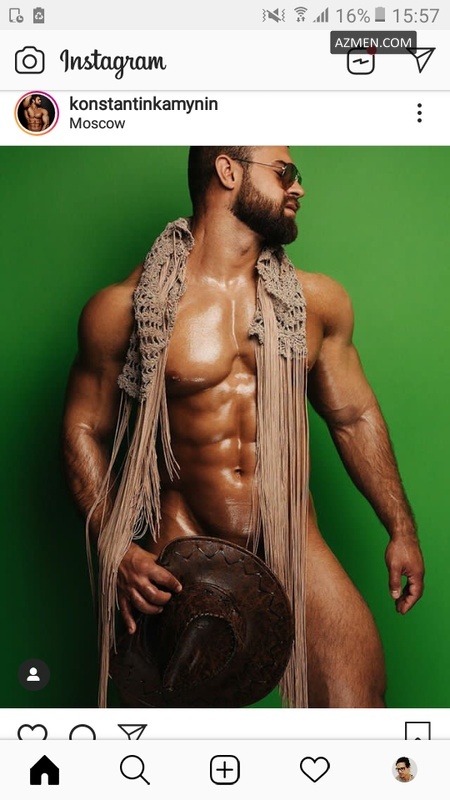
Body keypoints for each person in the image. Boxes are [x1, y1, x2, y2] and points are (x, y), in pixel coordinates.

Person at [62, 146, 424, 708]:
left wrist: (400, 528)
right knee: (168, 737)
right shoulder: (126, 309)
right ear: (228, 171)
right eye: (284, 173)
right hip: (181, 544)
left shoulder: (317, 303)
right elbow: (83, 428)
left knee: (357, 708)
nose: (298, 188)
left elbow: (354, 417)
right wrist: (117, 547)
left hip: (291, 536)